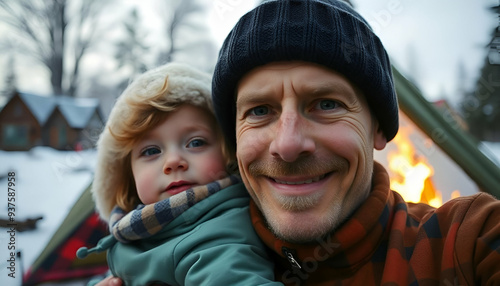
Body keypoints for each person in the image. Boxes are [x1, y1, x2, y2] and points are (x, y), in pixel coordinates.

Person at [98, 0, 500, 285]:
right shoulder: (170, 250)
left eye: (326, 103)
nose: (288, 144)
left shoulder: (466, 241)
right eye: (259, 111)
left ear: (378, 128)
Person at [77, 62, 282, 286]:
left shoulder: (216, 238)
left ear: (229, 155)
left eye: (195, 143)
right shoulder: (143, 228)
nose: (174, 161)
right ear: (128, 176)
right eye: (151, 151)